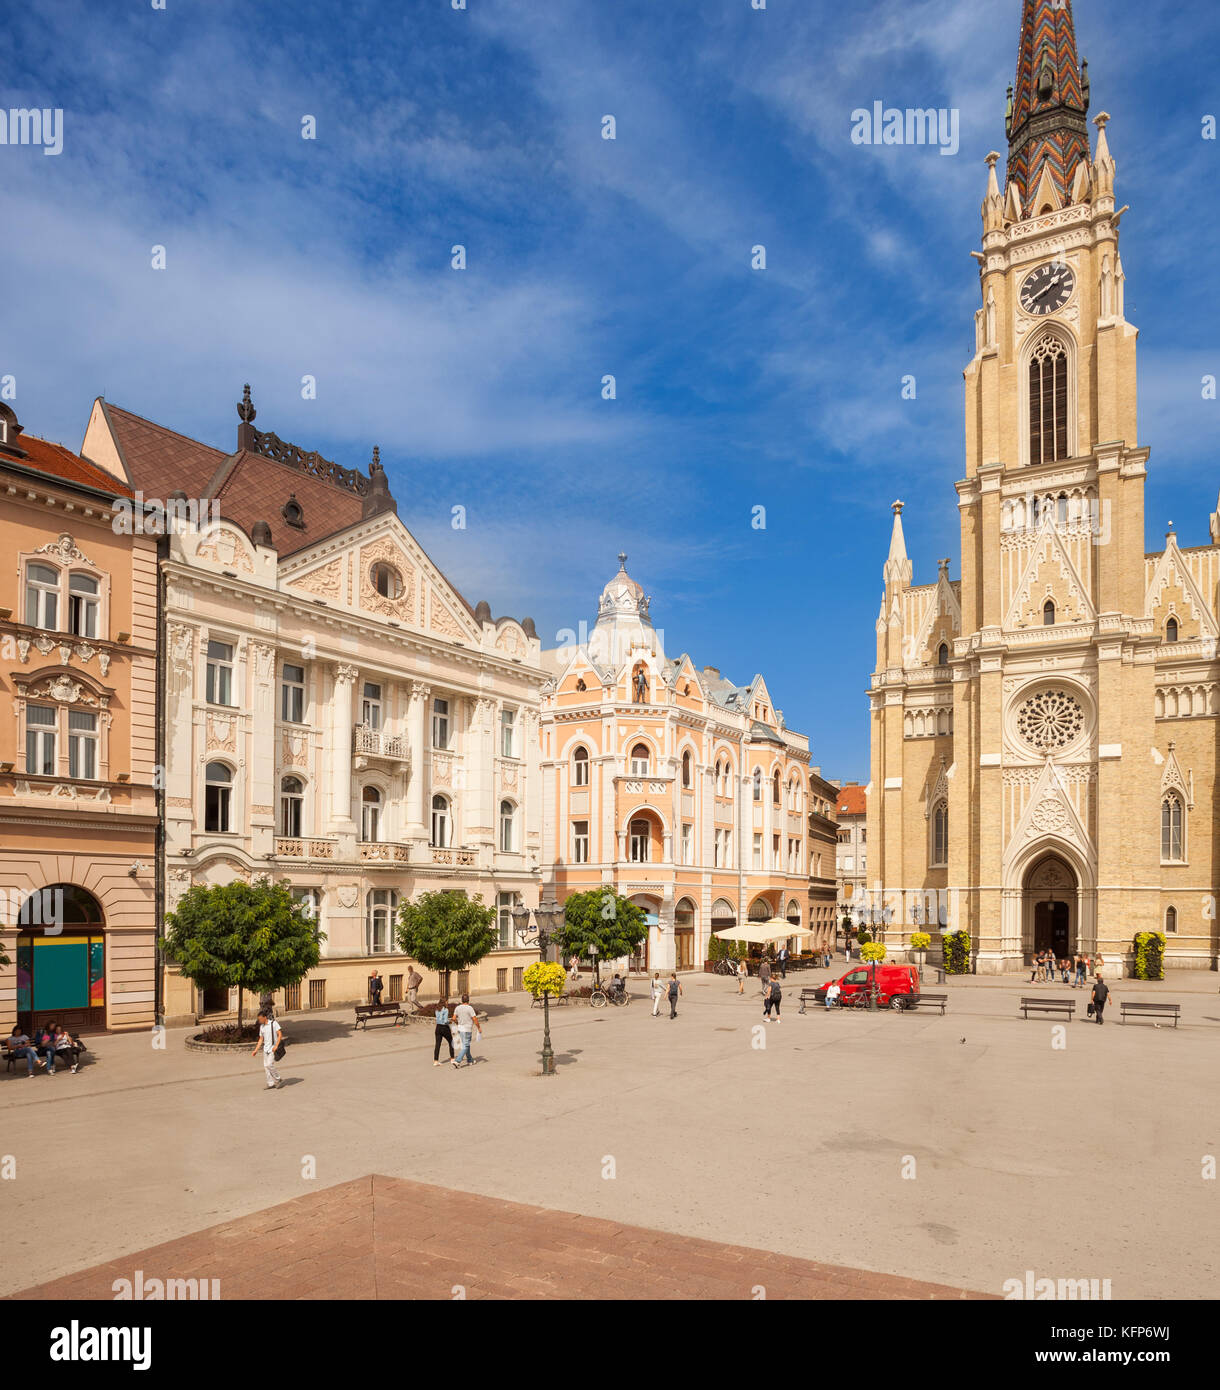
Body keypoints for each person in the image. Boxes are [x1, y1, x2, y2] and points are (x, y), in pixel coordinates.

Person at [250, 1010, 283, 1089]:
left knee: (269, 1064)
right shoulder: (262, 1027)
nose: (259, 1020)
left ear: (265, 1017)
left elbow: (280, 1034)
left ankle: (278, 1079)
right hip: (266, 1049)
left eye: (260, 1019)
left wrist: (276, 1046)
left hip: (273, 1048)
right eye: (259, 1019)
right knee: (266, 1066)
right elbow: (261, 1039)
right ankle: (270, 1083)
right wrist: (256, 1050)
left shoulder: (273, 1023)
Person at [452, 993, 479, 1067]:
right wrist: (479, 1028)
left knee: (466, 1045)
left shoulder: (457, 1008)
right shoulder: (470, 1008)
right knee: (466, 1045)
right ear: (468, 1000)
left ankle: (470, 1060)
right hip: (467, 1029)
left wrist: (458, 1023)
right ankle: (457, 1061)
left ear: (461, 1000)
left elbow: (453, 1018)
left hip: (460, 1029)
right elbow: (475, 1019)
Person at [433, 998, 454, 1065]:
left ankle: (436, 1061)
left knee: (437, 1044)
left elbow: (438, 1019)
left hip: (438, 1027)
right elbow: (445, 1021)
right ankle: (452, 1059)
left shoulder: (436, 1009)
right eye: (446, 1002)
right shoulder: (445, 1010)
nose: (447, 1003)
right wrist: (450, 1022)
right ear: (444, 1002)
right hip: (444, 1028)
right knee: (451, 1042)